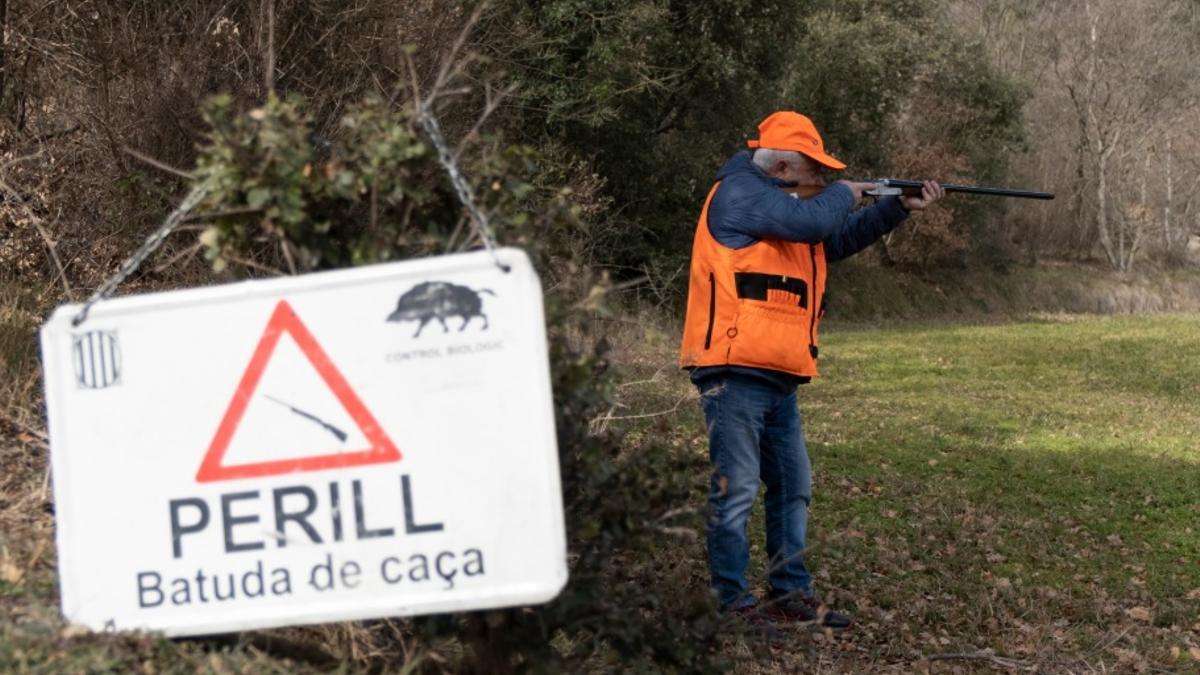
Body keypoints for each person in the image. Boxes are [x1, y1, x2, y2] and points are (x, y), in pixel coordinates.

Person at [678, 111, 944, 629]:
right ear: (778, 164)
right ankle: (730, 604)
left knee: (793, 486)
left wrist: (896, 209)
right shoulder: (739, 193)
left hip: (779, 371)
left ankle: (788, 594)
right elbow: (819, 220)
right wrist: (845, 192)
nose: (819, 179)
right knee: (736, 489)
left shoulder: (784, 211)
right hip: (734, 368)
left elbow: (833, 240)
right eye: (810, 169)